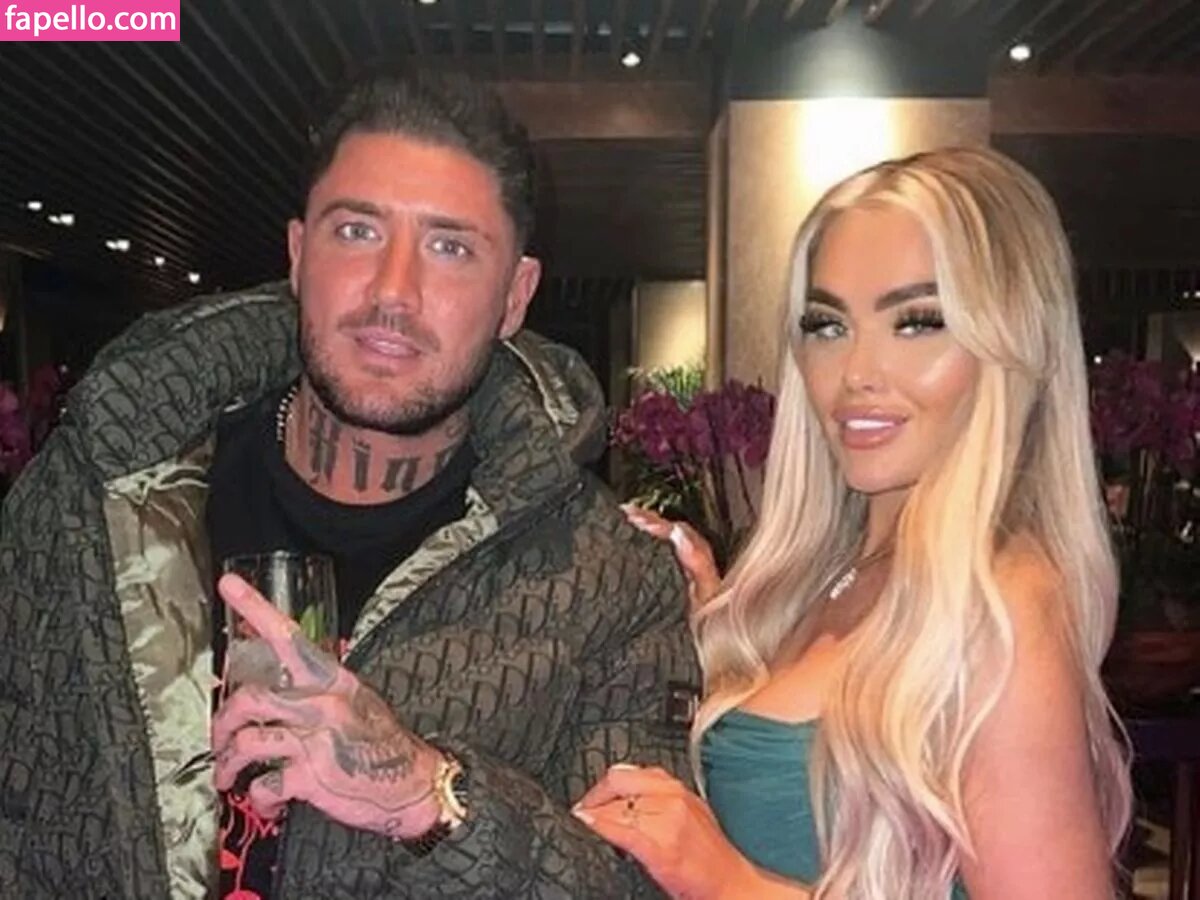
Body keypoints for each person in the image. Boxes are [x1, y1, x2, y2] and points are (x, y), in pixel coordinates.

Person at [0, 66, 698, 899]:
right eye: (358, 231)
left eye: (450, 247)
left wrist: (431, 798)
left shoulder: (612, 585)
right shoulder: (96, 499)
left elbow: (640, 886)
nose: (393, 291)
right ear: (300, 255)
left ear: (515, 297)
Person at [574, 147, 1132, 899]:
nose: (858, 373)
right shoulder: (829, 579)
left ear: (1012, 343)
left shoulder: (1001, 608)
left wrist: (730, 883)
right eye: (828, 325)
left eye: (918, 322)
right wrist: (712, 634)